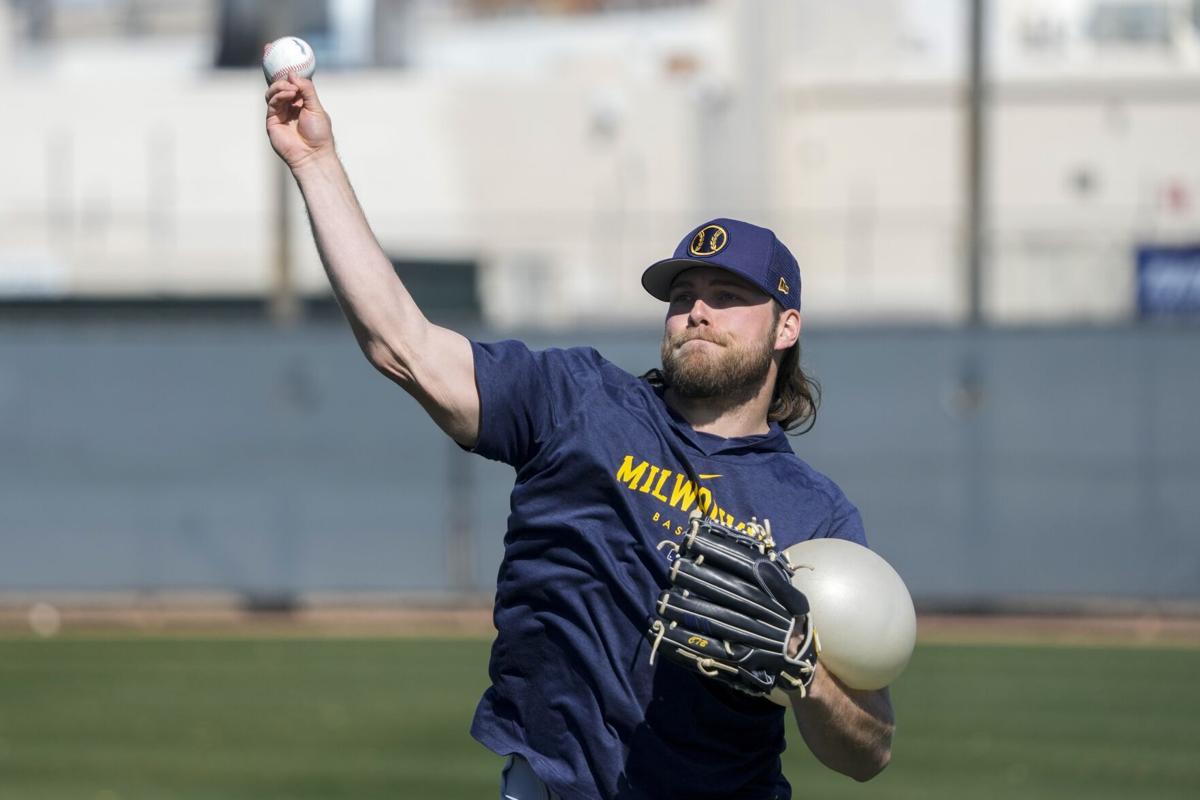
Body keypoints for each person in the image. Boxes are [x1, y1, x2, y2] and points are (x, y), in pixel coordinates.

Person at [265, 75, 895, 800]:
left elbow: (869, 748)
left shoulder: (816, 518)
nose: (695, 311)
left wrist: (801, 668)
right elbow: (400, 344)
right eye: (683, 295)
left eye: (726, 298)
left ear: (786, 327)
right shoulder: (578, 402)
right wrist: (316, 164)